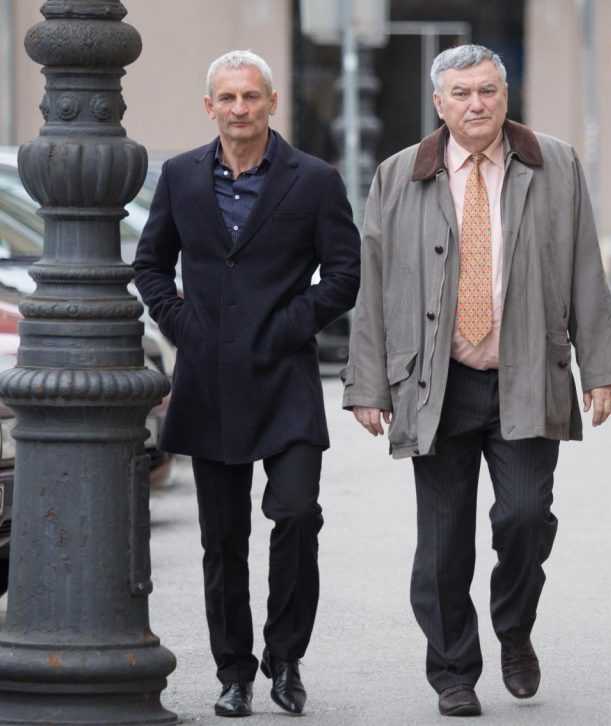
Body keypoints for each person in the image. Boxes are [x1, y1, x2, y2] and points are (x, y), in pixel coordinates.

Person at [342, 44, 611, 717]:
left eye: (489, 91)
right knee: (443, 546)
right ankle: (452, 671)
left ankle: (515, 629)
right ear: (439, 104)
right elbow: (374, 284)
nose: (477, 104)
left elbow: (585, 268)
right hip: (437, 384)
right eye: (463, 93)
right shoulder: (398, 175)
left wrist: (602, 369)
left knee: (525, 518)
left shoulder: (554, 164)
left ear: (506, 95)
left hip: (525, 376)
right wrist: (367, 385)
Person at [133, 49, 360, 718]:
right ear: (210, 107)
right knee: (223, 540)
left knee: (296, 515)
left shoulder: (314, 180)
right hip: (209, 382)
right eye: (228, 98)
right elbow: (151, 265)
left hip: (285, 378)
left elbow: (344, 274)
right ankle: (233, 672)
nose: (240, 108)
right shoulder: (180, 177)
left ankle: (285, 659)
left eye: (251, 96)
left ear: (271, 102)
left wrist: (289, 325)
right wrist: (184, 327)